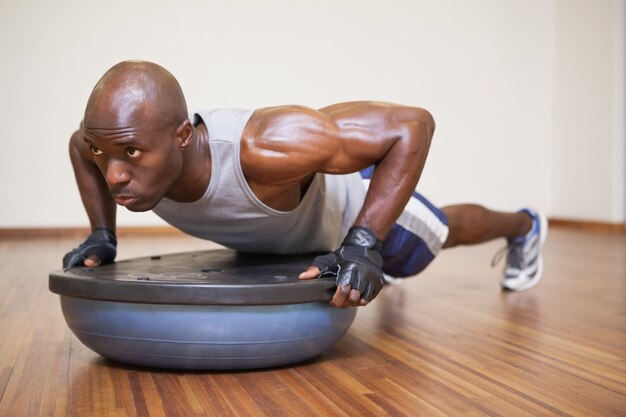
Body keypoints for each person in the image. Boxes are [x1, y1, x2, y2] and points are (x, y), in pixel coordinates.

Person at [63, 60, 548, 308]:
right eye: (104, 153)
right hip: (294, 226)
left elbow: (412, 125)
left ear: (183, 136)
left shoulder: (263, 146)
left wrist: (363, 244)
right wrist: (103, 234)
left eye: (130, 153)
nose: (115, 175)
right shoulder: (107, 149)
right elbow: (78, 147)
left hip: (354, 207)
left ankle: (525, 226)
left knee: (440, 232)